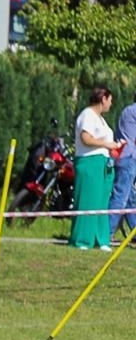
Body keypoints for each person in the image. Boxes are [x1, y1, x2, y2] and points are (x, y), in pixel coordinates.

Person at [70, 85, 117, 251]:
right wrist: (106, 143)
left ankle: (100, 238)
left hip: (104, 163)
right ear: (103, 99)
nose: (111, 104)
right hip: (89, 162)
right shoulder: (87, 115)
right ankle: (82, 239)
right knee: (88, 201)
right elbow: (86, 138)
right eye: (110, 100)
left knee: (101, 201)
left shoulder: (101, 120)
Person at [110, 96, 136, 242]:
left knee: (130, 199)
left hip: (122, 156)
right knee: (121, 196)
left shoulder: (127, 111)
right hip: (129, 157)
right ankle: (107, 233)